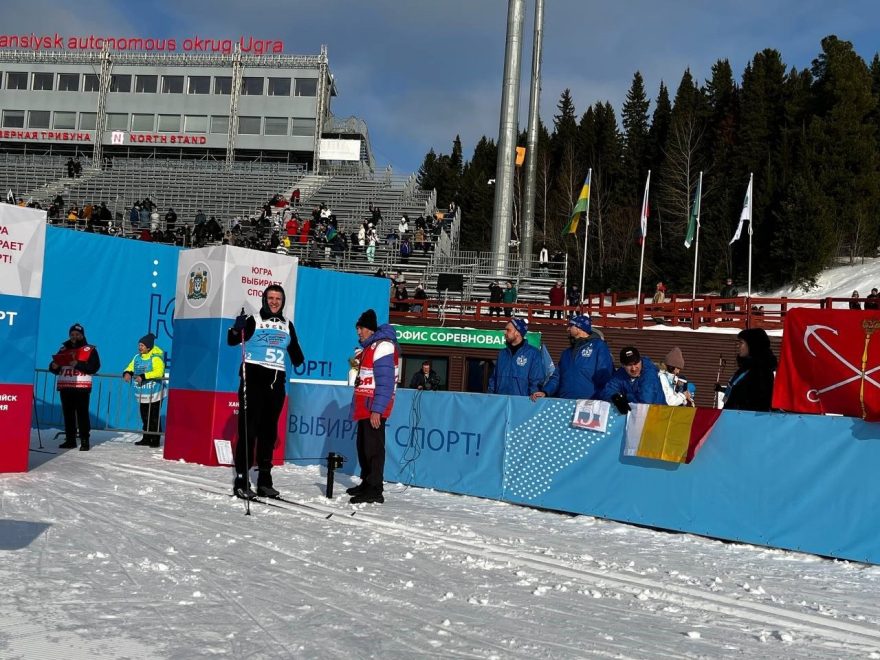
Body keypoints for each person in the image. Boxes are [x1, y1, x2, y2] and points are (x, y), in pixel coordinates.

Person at [228, 285, 305, 499]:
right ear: (264, 300)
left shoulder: (287, 324)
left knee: (268, 433)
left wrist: (299, 358)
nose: (274, 302)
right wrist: (236, 328)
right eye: (270, 298)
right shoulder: (254, 320)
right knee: (248, 431)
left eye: (278, 299)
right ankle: (241, 481)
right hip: (253, 378)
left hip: (276, 381)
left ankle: (264, 480)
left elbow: (296, 352)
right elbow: (232, 340)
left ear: (283, 301)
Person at [348, 309, 399, 504]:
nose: (358, 332)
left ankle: (375, 488)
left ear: (369, 329)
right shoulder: (370, 347)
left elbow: (386, 382)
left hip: (373, 407)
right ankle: (367, 482)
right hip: (365, 406)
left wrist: (378, 409)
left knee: (373, 448)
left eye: (360, 328)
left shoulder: (384, 346)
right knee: (363, 447)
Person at [531, 314, 612, 402]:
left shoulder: (599, 346)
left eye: (570, 326)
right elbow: (557, 377)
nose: (567, 329)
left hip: (588, 404)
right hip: (564, 403)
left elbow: (605, 376)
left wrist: (601, 399)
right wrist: (546, 391)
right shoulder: (566, 353)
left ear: (579, 327)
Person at [49, 323, 101, 451]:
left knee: (82, 414)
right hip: (66, 386)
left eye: (77, 334)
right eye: (72, 334)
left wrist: (77, 364)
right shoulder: (63, 349)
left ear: (82, 335)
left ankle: (84, 441)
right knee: (68, 415)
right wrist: (53, 366)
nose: (74, 337)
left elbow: (94, 367)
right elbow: (55, 365)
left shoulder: (90, 349)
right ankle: (70, 440)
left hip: (81, 387)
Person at [717, 328, 777, 412]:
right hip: (732, 417)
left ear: (752, 345)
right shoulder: (745, 368)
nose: (738, 345)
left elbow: (760, 404)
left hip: (745, 421)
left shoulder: (762, 371)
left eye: (741, 343)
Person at [122, 333, 166, 447]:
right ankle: (146, 437)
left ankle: (155, 440)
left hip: (154, 392)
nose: (139, 347)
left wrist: (144, 376)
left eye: (142, 345)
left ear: (148, 347)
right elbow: (131, 367)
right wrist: (127, 373)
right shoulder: (137, 357)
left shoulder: (155, 357)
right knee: (145, 416)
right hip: (143, 393)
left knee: (154, 417)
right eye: (139, 345)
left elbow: (159, 372)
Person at [487, 318, 543, 397]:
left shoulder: (533, 353)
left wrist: (531, 404)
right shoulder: (502, 353)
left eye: (508, 330)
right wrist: (490, 397)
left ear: (518, 332)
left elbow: (536, 382)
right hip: (500, 403)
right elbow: (493, 380)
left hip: (521, 405)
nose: (504, 332)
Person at [600, 346, 666, 413]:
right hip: (635, 416)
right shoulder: (620, 374)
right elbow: (607, 390)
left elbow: (646, 401)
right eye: (629, 365)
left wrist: (626, 397)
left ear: (640, 360)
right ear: (623, 365)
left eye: (636, 363)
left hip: (657, 415)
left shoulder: (649, 374)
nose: (633, 368)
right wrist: (616, 398)